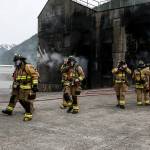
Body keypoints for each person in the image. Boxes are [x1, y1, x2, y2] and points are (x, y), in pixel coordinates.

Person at [2, 54, 39, 121]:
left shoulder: (27, 66)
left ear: (21, 61)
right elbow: (16, 77)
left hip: (26, 87)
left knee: (26, 100)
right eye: (15, 61)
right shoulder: (17, 68)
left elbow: (35, 75)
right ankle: (9, 110)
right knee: (15, 98)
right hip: (18, 87)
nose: (16, 62)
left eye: (17, 61)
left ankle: (29, 113)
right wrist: (15, 85)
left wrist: (35, 85)